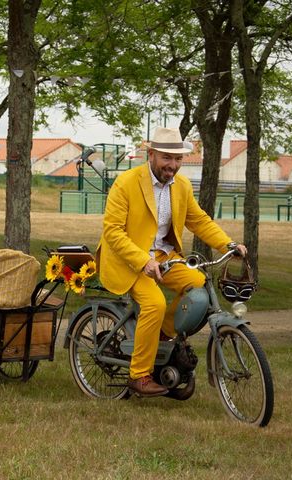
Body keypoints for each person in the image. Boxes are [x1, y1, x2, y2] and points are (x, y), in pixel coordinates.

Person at [98, 126, 246, 397]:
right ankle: (139, 376)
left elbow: (198, 220)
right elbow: (113, 231)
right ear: (151, 154)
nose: (173, 165)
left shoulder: (182, 186)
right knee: (153, 303)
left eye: (178, 159)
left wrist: (228, 244)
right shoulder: (127, 182)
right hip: (129, 259)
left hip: (165, 257)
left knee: (199, 288)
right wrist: (143, 260)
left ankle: (160, 338)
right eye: (167, 158)